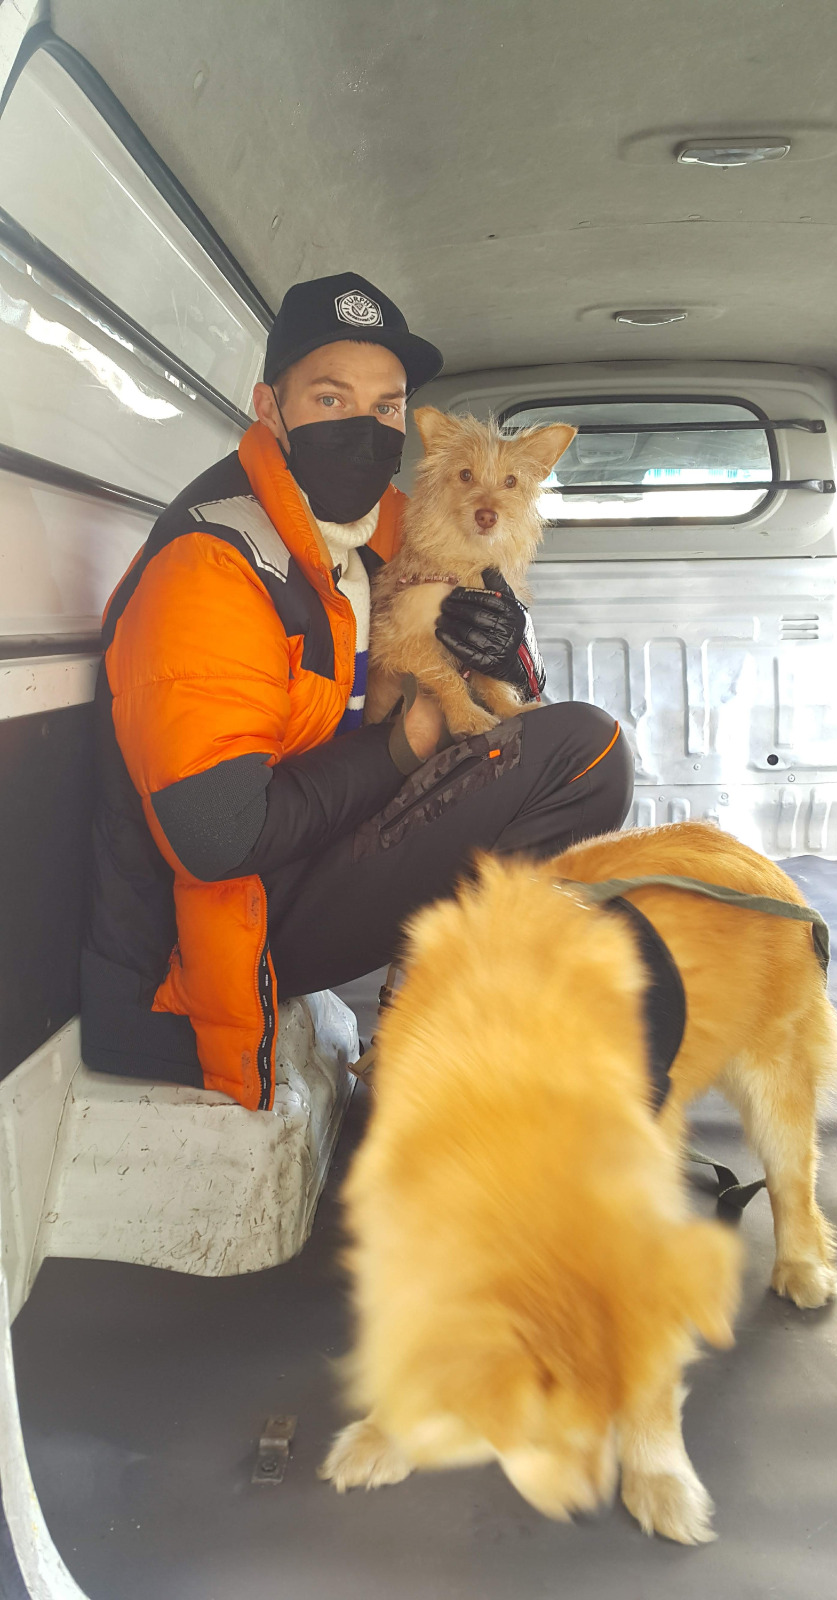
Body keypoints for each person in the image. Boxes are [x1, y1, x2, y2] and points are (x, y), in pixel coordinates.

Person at [80, 273, 633, 1110]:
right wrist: (402, 748)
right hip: (218, 938)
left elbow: (494, 659)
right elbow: (219, 840)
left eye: (386, 407)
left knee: (573, 751)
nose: (363, 428)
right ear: (270, 409)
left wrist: (510, 651)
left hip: (312, 861)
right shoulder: (213, 563)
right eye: (331, 398)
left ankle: (457, 1011)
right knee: (585, 751)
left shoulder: (387, 527)